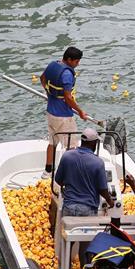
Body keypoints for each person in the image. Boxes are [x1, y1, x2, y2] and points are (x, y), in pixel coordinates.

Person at [54, 128, 114, 260]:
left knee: (67, 244)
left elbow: (58, 180)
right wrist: (110, 201)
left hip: (69, 207)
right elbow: (102, 189)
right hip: (88, 210)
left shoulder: (67, 156)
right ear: (94, 144)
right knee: (85, 246)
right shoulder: (98, 163)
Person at [40, 47, 89, 178]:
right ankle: (69, 176)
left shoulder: (53, 65)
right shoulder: (67, 75)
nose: (78, 64)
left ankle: (47, 171)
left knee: (52, 142)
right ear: (69, 59)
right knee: (72, 147)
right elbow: (68, 97)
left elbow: (42, 78)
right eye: (76, 61)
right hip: (63, 117)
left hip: (51, 113)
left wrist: (49, 93)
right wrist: (80, 111)